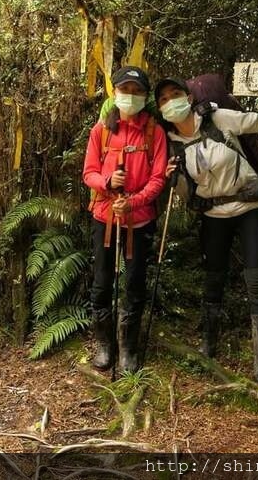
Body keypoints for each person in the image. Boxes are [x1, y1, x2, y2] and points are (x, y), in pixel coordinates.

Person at [157, 61, 258, 384]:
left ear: (188, 98)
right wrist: (172, 181)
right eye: (163, 99)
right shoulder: (169, 144)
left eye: (175, 94)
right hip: (214, 214)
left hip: (251, 207)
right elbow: (187, 195)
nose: (170, 102)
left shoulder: (218, 118)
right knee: (213, 278)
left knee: (256, 282)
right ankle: (208, 343)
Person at [83, 66, 168, 373]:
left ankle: (128, 350)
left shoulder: (154, 132)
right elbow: (88, 172)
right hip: (105, 217)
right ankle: (106, 346)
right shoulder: (101, 131)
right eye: (124, 90)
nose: (129, 96)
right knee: (102, 283)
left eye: (136, 91)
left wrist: (133, 202)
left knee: (134, 283)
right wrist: (107, 181)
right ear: (115, 93)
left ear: (145, 97)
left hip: (139, 219)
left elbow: (158, 178)